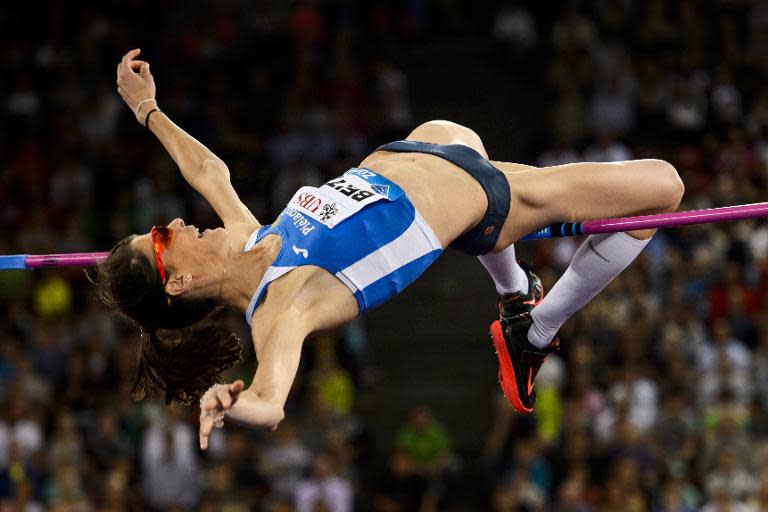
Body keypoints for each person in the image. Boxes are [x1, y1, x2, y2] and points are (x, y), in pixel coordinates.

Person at [99, 49, 684, 450]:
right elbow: (271, 399)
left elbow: (207, 170)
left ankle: (511, 294)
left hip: (422, 152)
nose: (173, 222)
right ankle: (533, 333)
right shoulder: (281, 306)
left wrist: (147, 111)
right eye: (160, 238)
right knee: (661, 190)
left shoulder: (250, 239)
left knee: (459, 133)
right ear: (175, 282)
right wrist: (232, 400)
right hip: (486, 201)